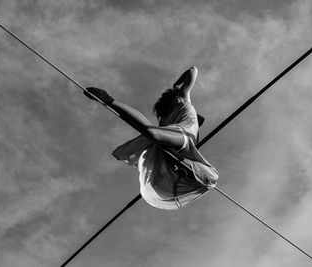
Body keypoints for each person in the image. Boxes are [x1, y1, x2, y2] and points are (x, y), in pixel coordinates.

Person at [84, 66, 218, 210]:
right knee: (153, 134)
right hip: (183, 136)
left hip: (182, 149)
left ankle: (179, 164)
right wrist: (177, 85)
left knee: (211, 178)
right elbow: (193, 70)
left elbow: (192, 71)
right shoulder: (183, 99)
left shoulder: (168, 117)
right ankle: (109, 100)